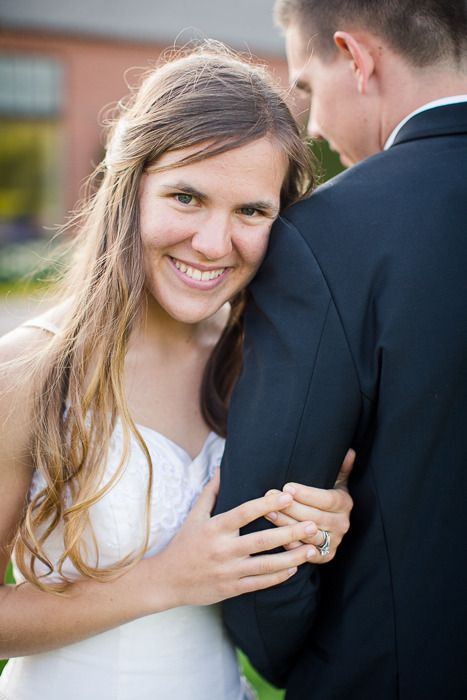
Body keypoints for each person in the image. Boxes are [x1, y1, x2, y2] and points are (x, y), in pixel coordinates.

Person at [0, 45, 354, 700]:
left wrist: (319, 528)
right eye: (186, 197)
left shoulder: (264, 366)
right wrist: (169, 578)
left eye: (251, 211)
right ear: (126, 186)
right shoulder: (28, 370)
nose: (214, 244)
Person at [215, 2, 467, 698]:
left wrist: (303, 661)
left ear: (356, 58)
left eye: (305, 85)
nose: (314, 122)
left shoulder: (326, 235)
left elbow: (262, 530)